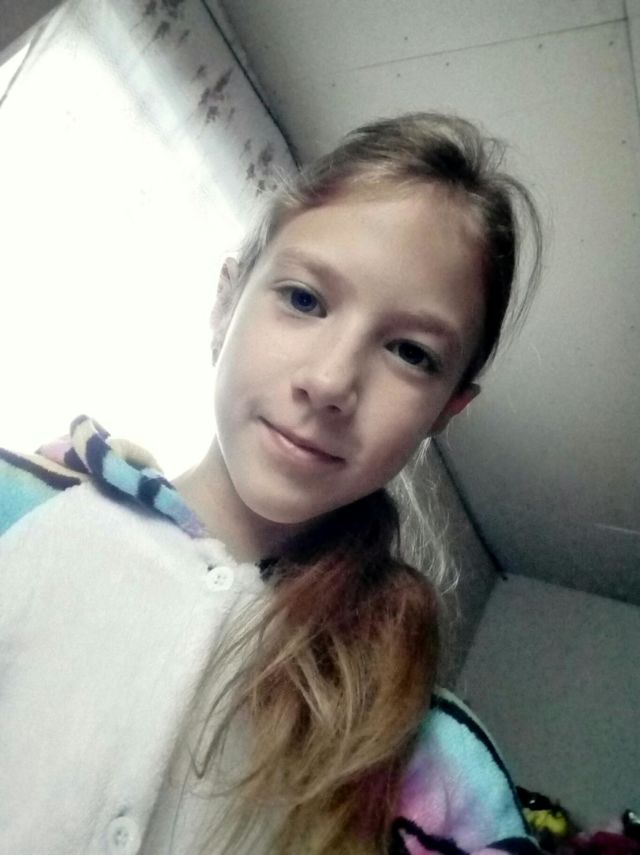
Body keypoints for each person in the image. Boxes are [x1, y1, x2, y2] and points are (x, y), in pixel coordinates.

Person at [0, 113, 542, 855]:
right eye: (305, 300)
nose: (330, 381)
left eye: (411, 353)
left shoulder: (423, 749)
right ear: (225, 302)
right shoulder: (24, 515)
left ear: (446, 410)